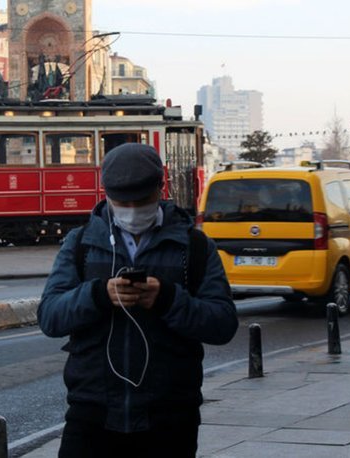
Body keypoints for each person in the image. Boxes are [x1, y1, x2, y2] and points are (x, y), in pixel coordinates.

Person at [38, 143, 239, 458]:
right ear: (106, 194)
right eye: (122, 202)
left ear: (161, 187)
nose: (132, 210)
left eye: (141, 201)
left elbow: (223, 323)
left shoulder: (194, 247)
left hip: (170, 417)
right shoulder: (81, 243)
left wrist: (168, 299)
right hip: (93, 412)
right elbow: (50, 317)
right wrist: (98, 295)